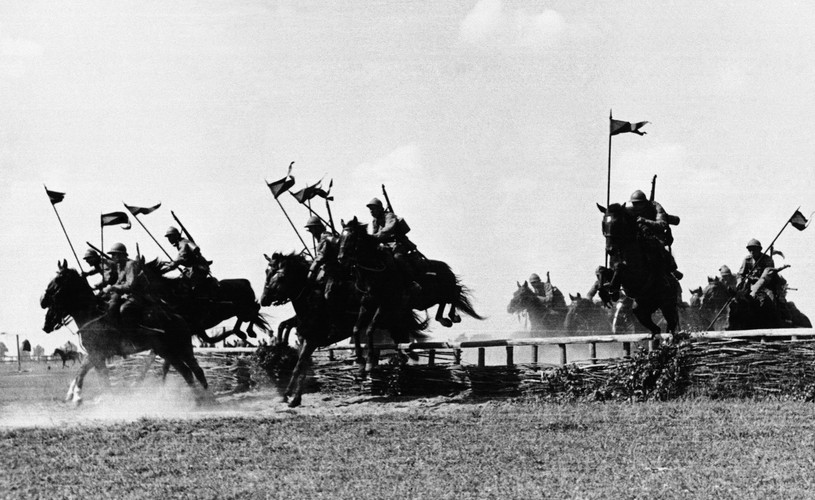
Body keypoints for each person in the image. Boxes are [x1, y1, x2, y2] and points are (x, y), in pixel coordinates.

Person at [624, 189, 683, 281]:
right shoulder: (630, 210)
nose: (637, 206)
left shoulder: (656, 207)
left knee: (659, 250)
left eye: (639, 203)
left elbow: (662, 224)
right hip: (638, 237)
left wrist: (645, 221)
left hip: (655, 237)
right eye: (634, 203)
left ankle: (668, 272)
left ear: (644, 202)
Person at [367, 197, 421, 294]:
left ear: (380, 208)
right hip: (384, 245)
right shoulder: (375, 221)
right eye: (370, 209)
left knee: (398, 257)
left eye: (373, 209)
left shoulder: (389, 216)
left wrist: (374, 237)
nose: (371, 211)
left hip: (397, 244)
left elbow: (388, 229)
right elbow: (375, 234)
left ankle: (411, 282)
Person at [102, 243, 145, 329]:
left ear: (120, 255)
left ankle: (131, 332)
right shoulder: (119, 266)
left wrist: (114, 287)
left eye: (114, 254)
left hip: (135, 295)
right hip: (124, 295)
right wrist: (109, 288)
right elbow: (119, 281)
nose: (112, 257)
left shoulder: (130, 264)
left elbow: (130, 285)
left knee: (124, 309)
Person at [164, 226, 212, 295]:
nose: (169, 239)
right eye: (168, 237)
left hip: (198, 269)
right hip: (195, 269)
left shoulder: (183, 243)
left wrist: (170, 266)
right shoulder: (182, 243)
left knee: (183, 285)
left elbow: (180, 258)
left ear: (176, 235)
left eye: (170, 236)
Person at [304, 216, 339, 296]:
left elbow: (321, 255)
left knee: (326, 293)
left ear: (317, 228)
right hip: (326, 268)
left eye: (311, 229)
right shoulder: (321, 238)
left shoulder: (325, 237)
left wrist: (311, 270)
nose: (311, 232)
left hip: (332, 270)